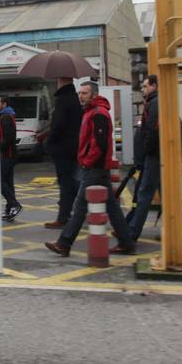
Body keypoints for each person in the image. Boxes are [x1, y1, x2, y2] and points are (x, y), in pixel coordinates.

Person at [43, 81, 136, 257]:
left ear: (94, 94)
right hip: (98, 168)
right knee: (112, 207)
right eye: (80, 93)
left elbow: (99, 145)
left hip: (94, 168)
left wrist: (87, 162)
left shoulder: (98, 114)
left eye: (84, 93)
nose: (81, 96)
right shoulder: (91, 112)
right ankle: (126, 242)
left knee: (79, 207)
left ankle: (64, 243)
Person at [124, 75, 161, 246]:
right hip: (153, 156)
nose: (142, 89)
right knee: (164, 192)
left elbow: (152, 132)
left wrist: (146, 153)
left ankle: (131, 233)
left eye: (145, 86)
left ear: (154, 86)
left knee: (144, 193)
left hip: (153, 157)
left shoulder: (154, 103)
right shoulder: (152, 102)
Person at [42, 76, 81, 229]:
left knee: (66, 183)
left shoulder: (63, 100)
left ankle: (63, 217)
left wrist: (49, 142)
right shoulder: (75, 99)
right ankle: (71, 212)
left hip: (62, 149)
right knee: (72, 181)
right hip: (74, 147)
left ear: (60, 82)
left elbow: (58, 125)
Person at [0, 96, 21, 220]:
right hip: (9, 154)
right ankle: (10, 209)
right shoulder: (7, 115)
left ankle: (14, 204)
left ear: (4, 104)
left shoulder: (6, 116)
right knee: (7, 182)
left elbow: (8, 137)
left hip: (7, 155)